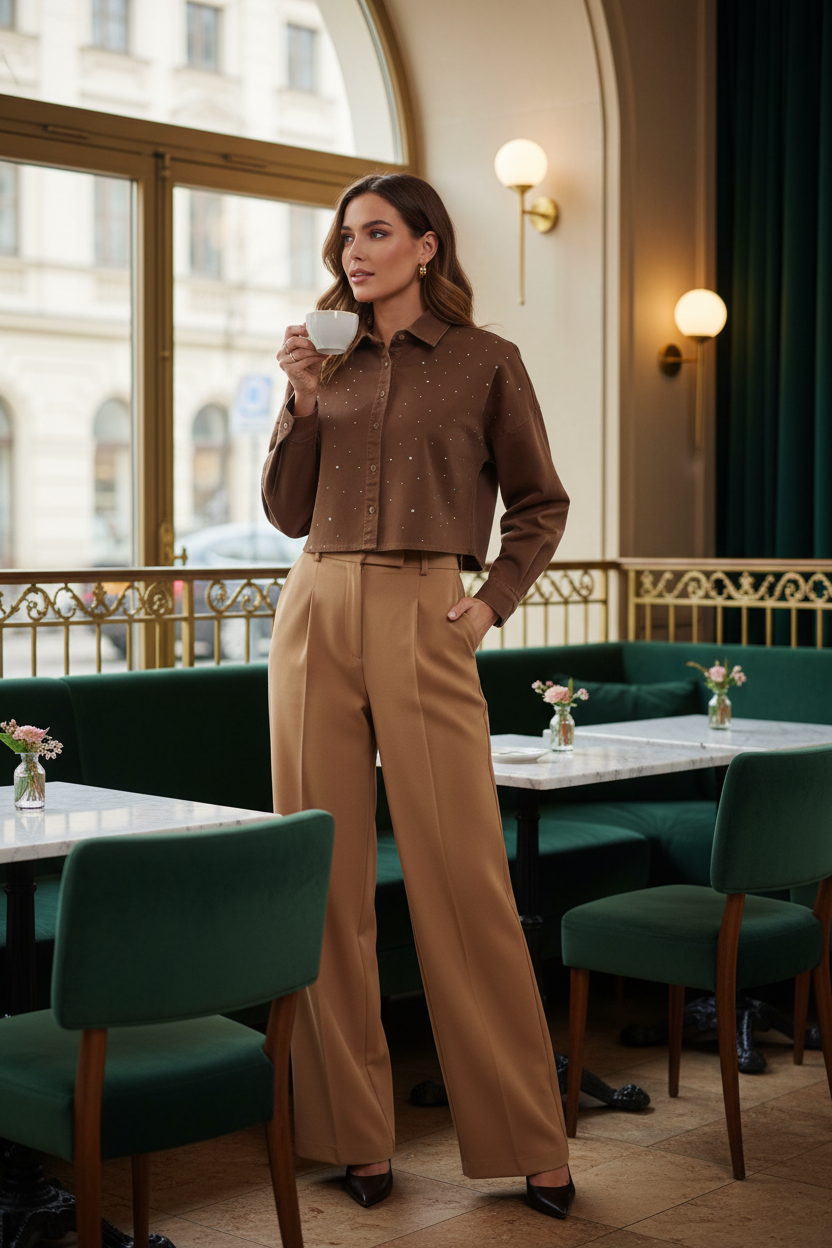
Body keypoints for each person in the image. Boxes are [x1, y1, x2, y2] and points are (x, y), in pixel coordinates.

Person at [262, 173, 573, 1219]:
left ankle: (530, 1136)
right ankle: (353, 1134)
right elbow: (285, 509)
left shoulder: (487, 363)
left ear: (427, 247)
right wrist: (300, 405)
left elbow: (539, 501)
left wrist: (490, 603)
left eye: (379, 232)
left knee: (462, 878)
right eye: (347, 236)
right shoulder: (328, 359)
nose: (356, 251)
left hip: (426, 611)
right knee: (327, 878)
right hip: (313, 612)